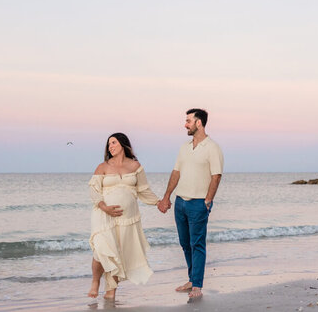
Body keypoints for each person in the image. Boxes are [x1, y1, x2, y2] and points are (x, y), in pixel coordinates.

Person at [157, 108, 224, 300]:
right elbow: (176, 172)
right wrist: (166, 197)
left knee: (197, 244)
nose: (185, 124)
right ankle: (191, 278)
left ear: (199, 123)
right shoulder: (184, 147)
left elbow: (216, 176)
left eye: (188, 121)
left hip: (198, 204)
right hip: (180, 203)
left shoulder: (213, 147)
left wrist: (208, 200)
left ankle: (197, 285)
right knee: (185, 244)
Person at [87, 133, 163, 300]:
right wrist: (105, 207)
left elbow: (143, 190)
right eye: (108, 144)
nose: (110, 147)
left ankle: (111, 290)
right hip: (104, 215)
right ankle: (95, 282)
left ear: (123, 144)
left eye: (113, 143)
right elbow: (94, 191)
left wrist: (158, 202)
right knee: (101, 248)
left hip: (127, 219)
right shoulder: (103, 166)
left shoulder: (135, 166)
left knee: (117, 252)